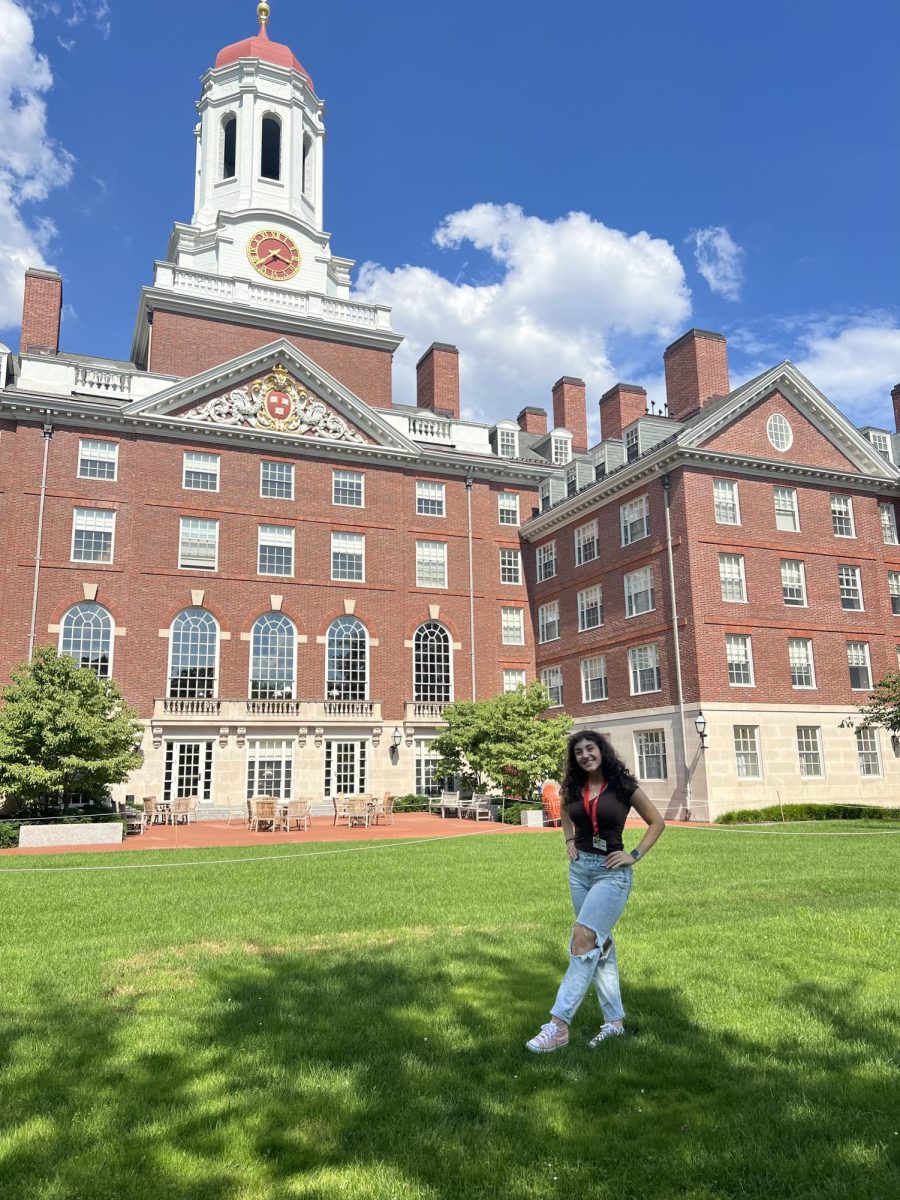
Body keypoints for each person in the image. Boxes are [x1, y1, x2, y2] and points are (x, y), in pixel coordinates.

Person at [526, 730, 665, 1052]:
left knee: (582, 938)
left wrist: (634, 855)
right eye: (579, 752)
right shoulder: (573, 788)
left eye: (590, 749)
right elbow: (564, 813)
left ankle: (558, 1026)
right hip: (579, 872)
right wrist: (569, 841)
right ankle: (614, 1023)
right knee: (599, 945)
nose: (585, 755)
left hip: (611, 873)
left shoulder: (623, 786)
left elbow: (656, 822)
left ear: (601, 750)